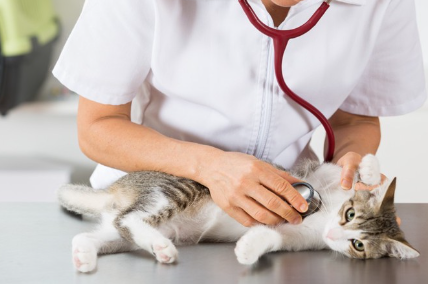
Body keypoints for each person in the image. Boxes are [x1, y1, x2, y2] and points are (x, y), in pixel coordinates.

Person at [53, 0, 426, 227]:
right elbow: (97, 127)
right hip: (152, 211)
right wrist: (210, 166)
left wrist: (348, 169)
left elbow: (355, 121)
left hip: (282, 217)